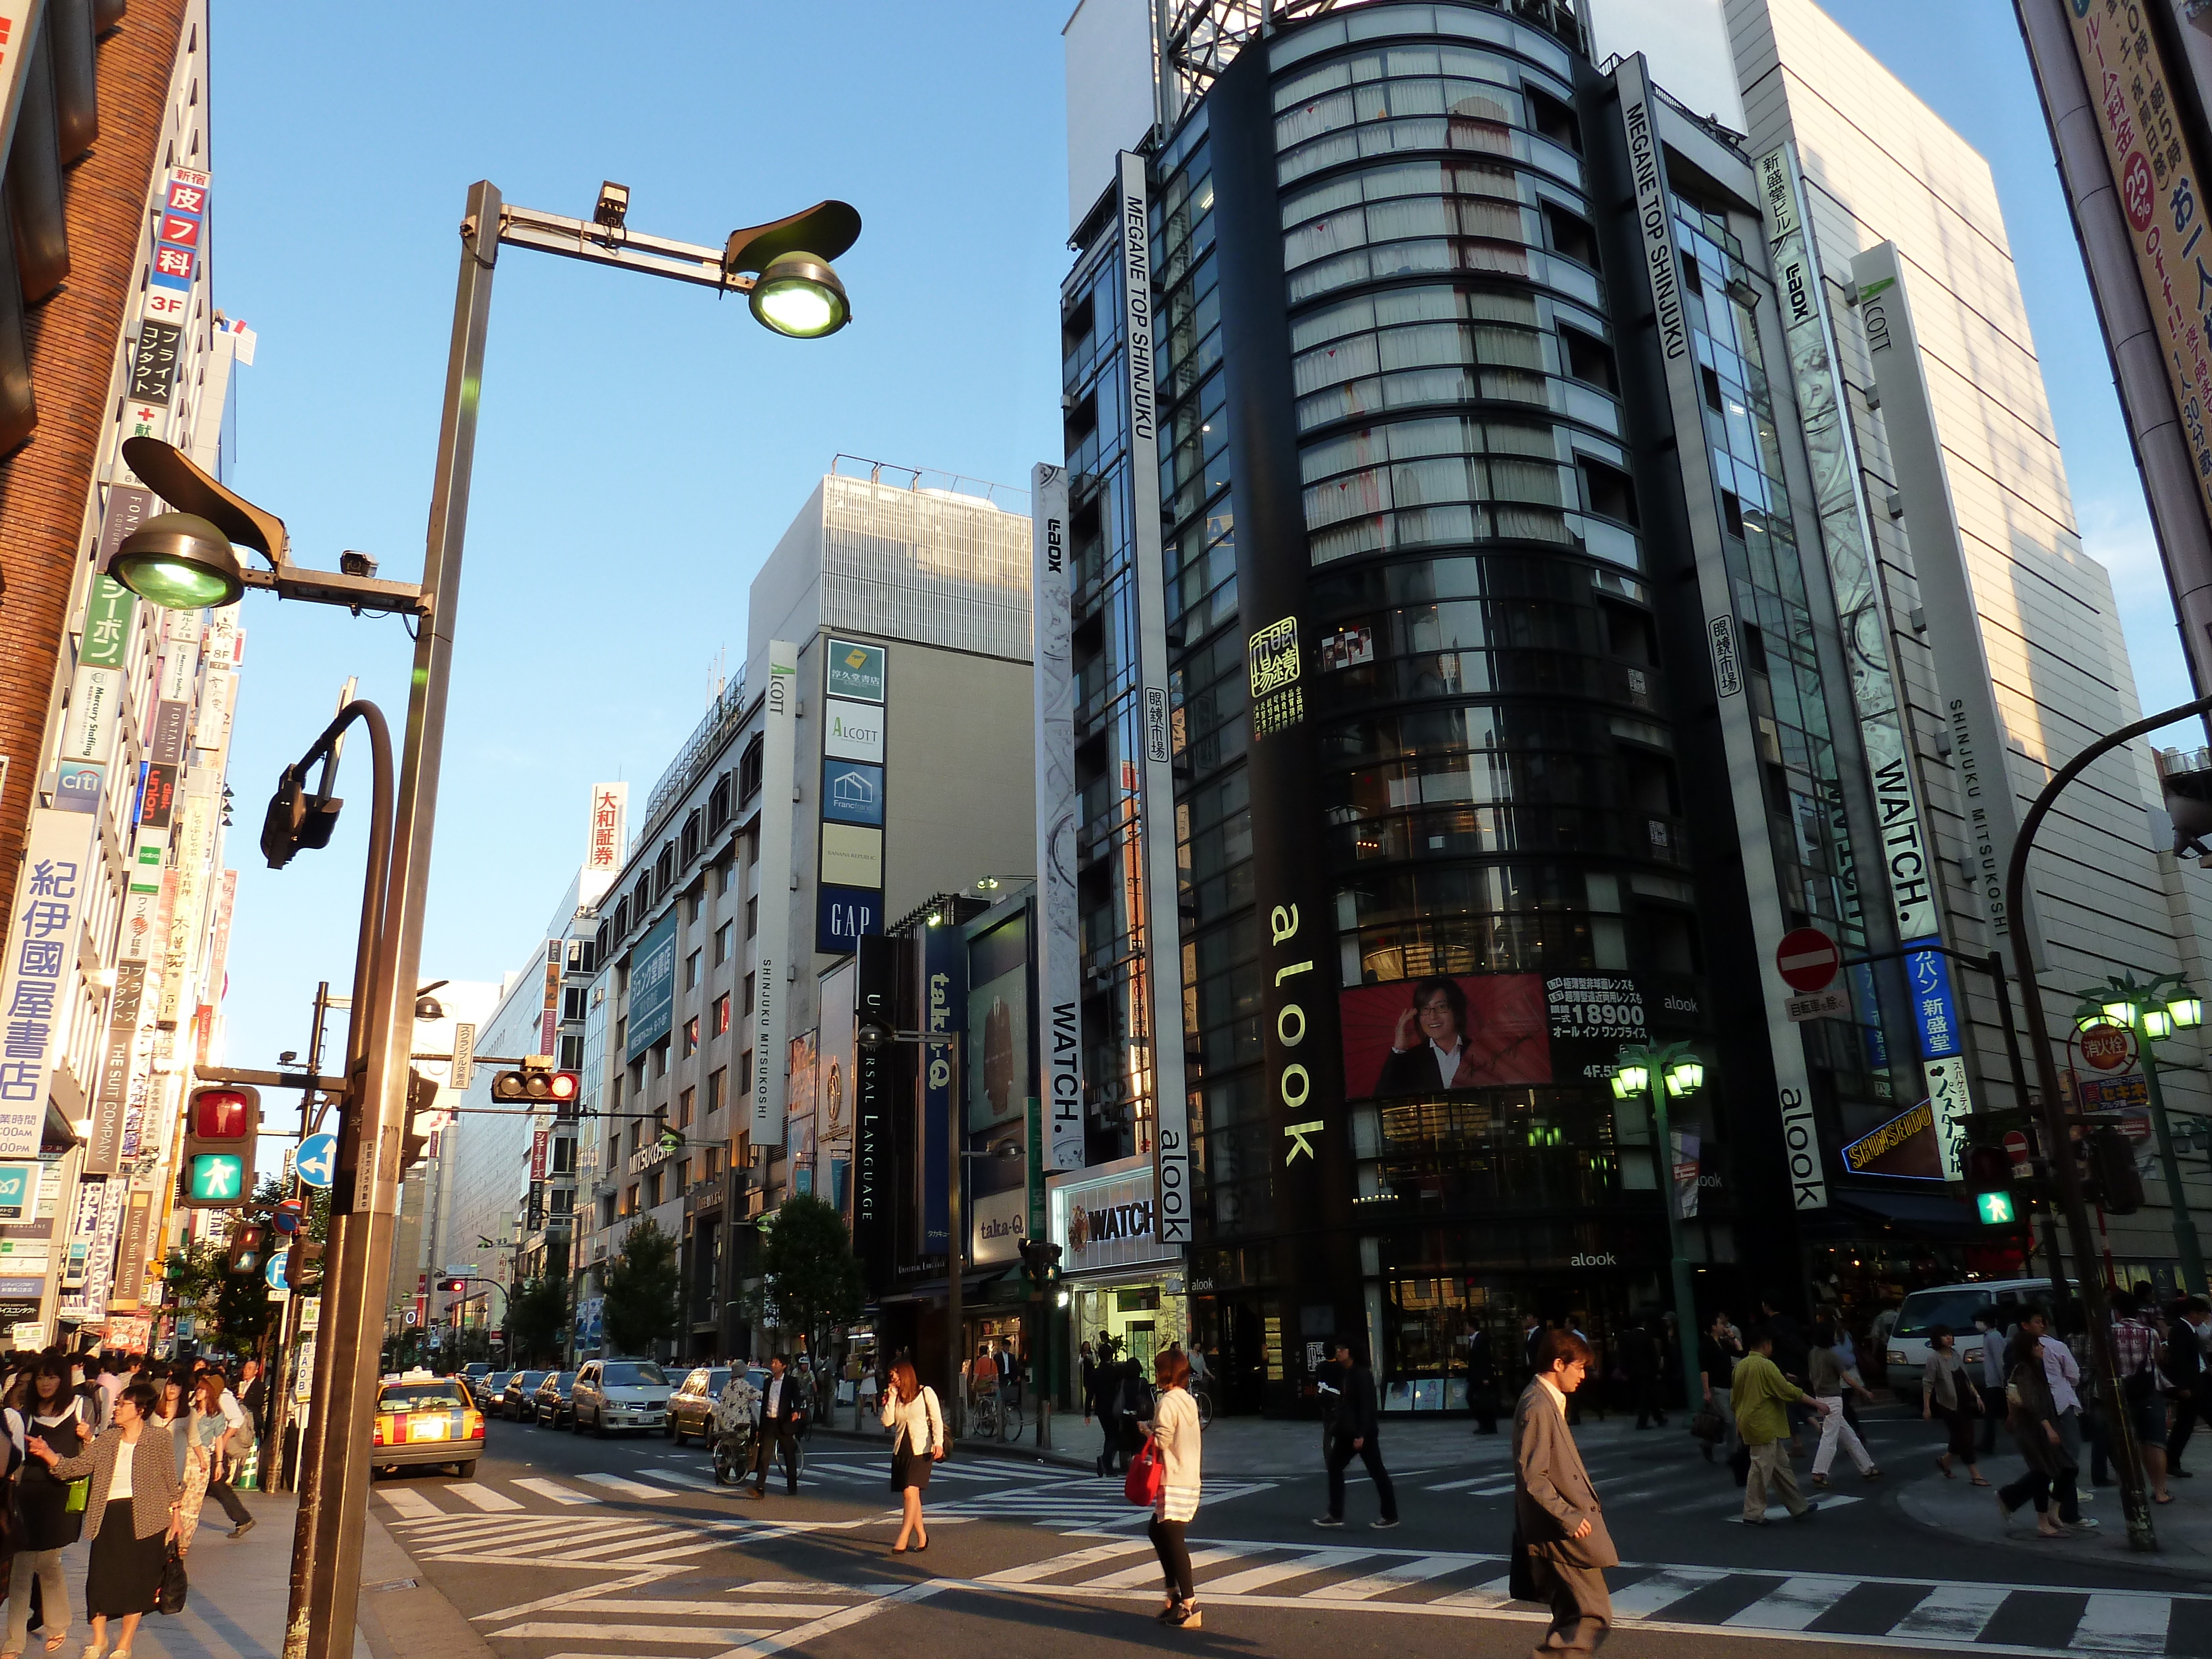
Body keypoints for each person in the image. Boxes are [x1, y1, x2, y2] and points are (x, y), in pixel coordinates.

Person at [27, 1380, 181, 1659]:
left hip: (148, 1517)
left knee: (137, 1581)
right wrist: (48, 1454)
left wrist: (177, 1515)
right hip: (108, 1515)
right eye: (119, 1403)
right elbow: (77, 1468)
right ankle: (99, 1639)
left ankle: (125, 1643)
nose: (117, 1409)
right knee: (100, 1580)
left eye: (123, 1404)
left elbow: (171, 1480)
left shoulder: (159, 1439)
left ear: (141, 1409)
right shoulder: (108, 1440)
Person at [1512, 1329, 1615, 1657]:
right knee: (1590, 1615)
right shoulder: (1538, 1406)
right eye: (1579, 1367)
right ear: (1559, 1364)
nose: (1584, 1376)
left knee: (1576, 1614)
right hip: (1560, 1532)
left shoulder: (1546, 1401)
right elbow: (1534, 1476)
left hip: (1557, 1529)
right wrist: (1568, 1517)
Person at [4, 1358, 86, 1659]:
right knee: (22, 1568)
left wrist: (88, 1437)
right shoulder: (25, 1416)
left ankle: (58, 1623)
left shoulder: (79, 1407)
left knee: (49, 1563)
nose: (45, 1383)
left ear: (62, 1380)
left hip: (61, 1495)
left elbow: (94, 1450)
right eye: (41, 1378)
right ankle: (14, 1641)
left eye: (51, 1377)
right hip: (29, 1494)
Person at [1135, 1347, 1205, 1630]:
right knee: (1158, 1531)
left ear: (1166, 1373)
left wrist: (1147, 1430)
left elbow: (1163, 1441)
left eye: (1158, 1368)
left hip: (1174, 1478)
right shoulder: (1188, 1400)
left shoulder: (1166, 1401)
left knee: (1173, 1538)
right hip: (1189, 1476)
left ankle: (1189, 1604)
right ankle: (1173, 1595)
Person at [1731, 1327, 1828, 1524]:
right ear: (1766, 1345)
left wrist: (1738, 1422)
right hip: (1764, 1424)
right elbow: (1788, 1391)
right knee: (1760, 1469)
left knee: (1780, 1468)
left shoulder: (1740, 1366)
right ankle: (1752, 1513)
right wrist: (1816, 1403)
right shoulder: (1766, 1365)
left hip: (1750, 1421)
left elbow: (1735, 1399)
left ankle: (1798, 1506)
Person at [1997, 1325, 2074, 1538]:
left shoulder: (2036, 1368)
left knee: (2067, 1467)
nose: (2042, 1348)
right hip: (2033, 1430)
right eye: (2037, 1344)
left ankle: (2044, 1510)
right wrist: (2048, 1427)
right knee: (2042, 1472)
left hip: (2042, 1426)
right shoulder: (2024, 1370)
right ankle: (2042, 1521)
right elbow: (2032, 1403)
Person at [1313, 1338, 1397, 1530]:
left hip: (1362, 1432)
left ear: (1351, 1352)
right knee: (1335, 1466)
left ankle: (1390, 1515)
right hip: (1347, 1431)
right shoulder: (1348, 1373)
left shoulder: (1361, 1375)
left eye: (1342, 1349)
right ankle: (1335, 1513)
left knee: (1377, 1472)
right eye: (1337, 1349)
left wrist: (1361, 1434)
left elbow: (1366, 1407)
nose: (1338, 1352)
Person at [2111, 1288, 2173, 1504]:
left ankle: (2133, 1489)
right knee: (2154, 1442)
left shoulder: (2108, 1333)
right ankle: (2160, 1491)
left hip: (2120, 1393)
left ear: (2117, 1312)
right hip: (2149, 1391)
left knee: (2127, 1442)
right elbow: (2157, 1360)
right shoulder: (2150, 1333)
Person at [879, 1360, 944, 1553]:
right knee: (912, 1495)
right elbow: (887, 1422)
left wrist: (938, 1442)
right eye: (891, 1376)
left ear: (906, 1374)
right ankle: (922, 1536)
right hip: (902, 1450)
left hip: (921, 1450)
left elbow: (936, 1418)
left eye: (896, 1375)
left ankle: (903, 1538)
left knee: (910, 1492)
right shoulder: (896, 1397)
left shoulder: (926, 1392)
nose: (894, 1379)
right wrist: (891, 1398)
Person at [1806, 1318, 1879, 1486]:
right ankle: (1819, 1472)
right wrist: (1865, 1391)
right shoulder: (1832, 1356)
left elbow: (1811, 1376)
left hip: (1820, 1397)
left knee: (1848, 1435)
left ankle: (1867, 1467)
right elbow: (1848, 1379)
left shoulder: (1813, 1354)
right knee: (1830, 1438)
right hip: (1834, 1399)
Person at [1921, 1325, 1989, 1488]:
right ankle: (1975, 1474)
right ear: (1938, 1339)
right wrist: (1927, 1407)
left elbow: (1966, 1379)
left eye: (1950, 1335)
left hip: (1964, 1401)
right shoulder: (1935, 1359)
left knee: (1964, 1436)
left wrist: (1977, 1396)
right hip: (1948, 1405)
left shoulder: (1956, 1355)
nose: (1949, 1338)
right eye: (1944, 1336)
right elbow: (1928, 1383)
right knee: (1964, 1439)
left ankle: (1945, 1461)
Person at [193, 1373, 254, 1537]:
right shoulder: (199, 1400)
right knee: (218, 1486)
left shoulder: (224, 1398)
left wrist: (224, 1438)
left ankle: (243, 1518)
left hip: (211, 1450)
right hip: (204, 1449)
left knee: (217, 1484)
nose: (199, 1390)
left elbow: (237, 1419)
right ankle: (243, 1519)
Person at [743, 1355, 804, 1500]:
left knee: (789, 1455)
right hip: (769, 1422)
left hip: (784, 1422)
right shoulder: (768, 1382)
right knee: (765, 1456)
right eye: (773, 1362)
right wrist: (761, 1425)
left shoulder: (790, 1382)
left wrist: (796, 1410)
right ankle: (759, 1487)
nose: (773, 1365)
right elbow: (765, 1404)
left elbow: (797, 1398)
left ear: (784, 1366)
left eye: (777, 1363)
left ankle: (792, 1486)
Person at [2165, 1297, 2212, 1477]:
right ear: (2193, 1313)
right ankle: (2171, 1460)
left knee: (2184, 1425)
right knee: (2185, 1424)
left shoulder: (2189, 1330)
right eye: (2202, 1314)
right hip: (2192, 1384)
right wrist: (2184, 1386)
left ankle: (2172, 1460)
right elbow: (2180, 1361)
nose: (2203, 1318)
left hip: (2200, 1381)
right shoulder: (2180, 1330)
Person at [1697, 1311, 1741, 1462]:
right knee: (1730, 1420)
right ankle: (1733, 1454)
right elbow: (1705, 1369)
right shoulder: (1705, 1345)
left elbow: (1740, 1351)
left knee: (1723, 1421)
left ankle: (1707, 1444)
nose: (1723, 1326)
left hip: (1729, 1385)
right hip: (1717, 1387)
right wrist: (1707, 1390)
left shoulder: (1723, 1343)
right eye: (1720, 1324)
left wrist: (1732, 1337)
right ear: (1713, 1327)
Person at [1972, 1311, 2008, 1458]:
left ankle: (1988, 1443)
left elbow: (2000, 1361)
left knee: (1992, 1415)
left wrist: (2003, 1381)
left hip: (1996, 1383)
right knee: (1997, 1414)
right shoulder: (1990, 1337)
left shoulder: (1994, 1337)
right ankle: (1987, 1443)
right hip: (1994, 1382)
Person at [1088, 1345, 1124, 1476]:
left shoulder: (1096, 1373)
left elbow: (1090, 1393)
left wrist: (1087, 1413)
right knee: (1114, 1437)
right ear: (1111, 1355)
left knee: (1109, 1435)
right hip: (1113, 1408)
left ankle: (1107, 1465)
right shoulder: (1115, 1372)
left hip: (1101, 1409)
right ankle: (1105, 1461)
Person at [1623, 1317, 1664, 1431]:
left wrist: (1625, 1371)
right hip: (1648, 1372)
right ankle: (1643, 1422)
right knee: (1646, 1397)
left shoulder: (1629, 1337)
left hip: (1634, 1372)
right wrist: (1657, 1371)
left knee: (1647, 1395)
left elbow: (1625, 1356)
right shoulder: (1647, 1336)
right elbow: (1653, 1355)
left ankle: (1659, 1418)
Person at [1467, 1324, 1498, 1434]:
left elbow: (1486, 1359)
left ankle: (1488, 1425)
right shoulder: (1472, 1340)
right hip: (1475, 1376)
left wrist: (1486, 1377)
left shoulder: (1482, 1340)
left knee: (1484, 1400)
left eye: (1467, 1326)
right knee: (1474, 1399)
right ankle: (1484, 1424)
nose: (1466, 1329)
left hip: (1482, 1376)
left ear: (1472, 1327)